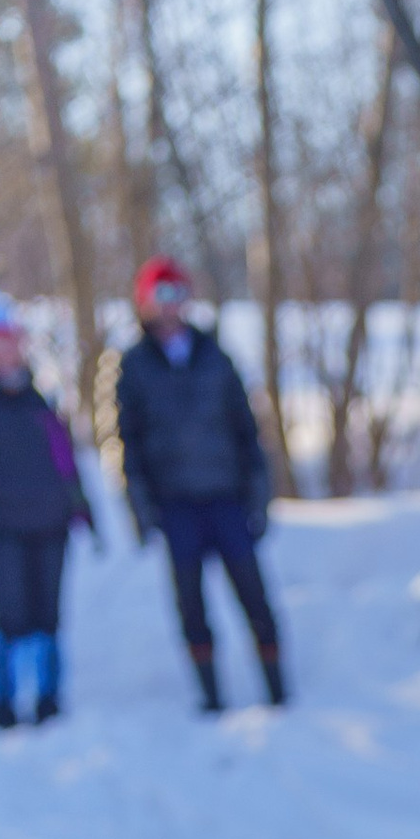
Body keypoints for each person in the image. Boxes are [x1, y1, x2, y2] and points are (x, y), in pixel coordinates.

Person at [113, 257, 286, 712]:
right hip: (176, 506)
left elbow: (248, 431)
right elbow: (128, 445)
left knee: (254, 596)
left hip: (227, 498)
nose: (170, 305)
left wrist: (259, 495)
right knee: (190, 605)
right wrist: (141, 508)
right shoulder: (134, 365)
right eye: (160, 295)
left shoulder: (215, 356)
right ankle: (211, 696)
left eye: (177, 294)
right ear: (145, 303)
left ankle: (277, 689)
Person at [0, 290, 94, 727]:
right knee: (12, 614)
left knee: (48, 613)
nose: (7, 349)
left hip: (50, 521)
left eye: (13, 340)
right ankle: (4, 701)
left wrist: (80, 506)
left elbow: (62, 457)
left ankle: (48, 697)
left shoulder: (39, 397)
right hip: (1, 526)